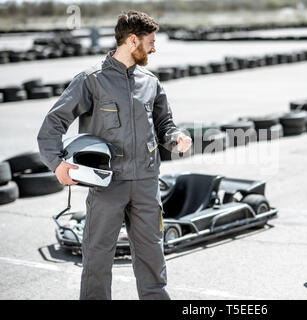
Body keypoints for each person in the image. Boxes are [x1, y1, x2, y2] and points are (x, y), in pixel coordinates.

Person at [37, 10, 192, 300]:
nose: (154, 47)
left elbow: (164, 126)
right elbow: (52, 123)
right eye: (150, 41)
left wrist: (177, 138)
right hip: (107, 184)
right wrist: (56, 163)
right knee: (97, 256)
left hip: (146, 182)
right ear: (132, 40)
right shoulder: (91, 80)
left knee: (152, 254)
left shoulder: (150, 81)